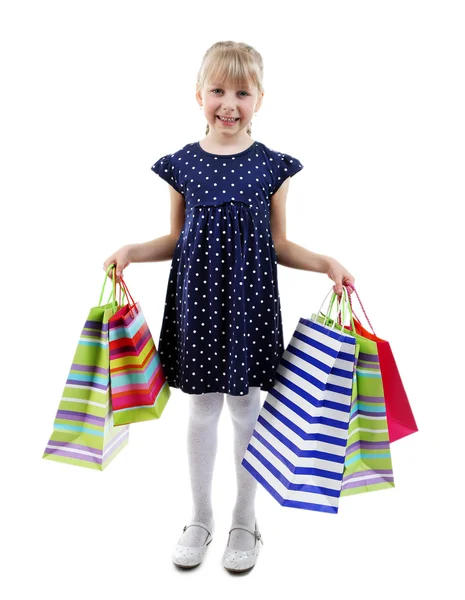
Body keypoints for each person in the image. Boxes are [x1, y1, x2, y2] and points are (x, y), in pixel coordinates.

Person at [103, 40, 355, 573]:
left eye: (242, 92)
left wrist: (326, 261)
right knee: (202, 409)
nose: (229, 103)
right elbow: (175, 239)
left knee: (245, 408)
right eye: (218, 90)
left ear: (260, 99)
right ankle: (200, 518)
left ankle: (246, 519)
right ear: (198, 94)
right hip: (197, 305)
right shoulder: (181, 164)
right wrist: (131, 252)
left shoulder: (272, 167)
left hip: (249, 308)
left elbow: (280, 245)